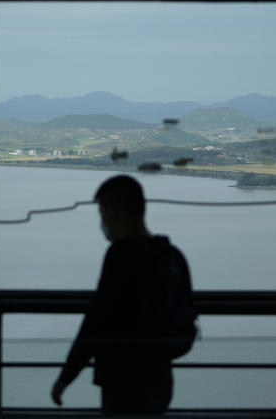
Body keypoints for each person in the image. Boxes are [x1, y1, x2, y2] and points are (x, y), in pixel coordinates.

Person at [51, 175, 195, 415]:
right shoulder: (171, 254)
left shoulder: (121, 253)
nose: (102, 220)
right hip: (160, 375)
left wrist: (66, 377)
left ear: (113, 210)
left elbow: (97, 320)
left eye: (102, 212)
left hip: (123, 376)